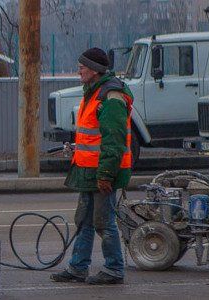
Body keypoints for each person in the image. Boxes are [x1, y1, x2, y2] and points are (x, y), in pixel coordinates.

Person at [50, 48, 133, 285]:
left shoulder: (111, 96)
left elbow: (114, 140)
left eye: (83, 66)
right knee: (84, 221)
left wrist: (106, 174)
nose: (79, 70)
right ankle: (78, 267)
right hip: (88, 170)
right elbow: (93, 137)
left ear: (95, 70)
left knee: (103, 221)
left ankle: (114, 268)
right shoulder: (94, 92)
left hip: (101, 172)